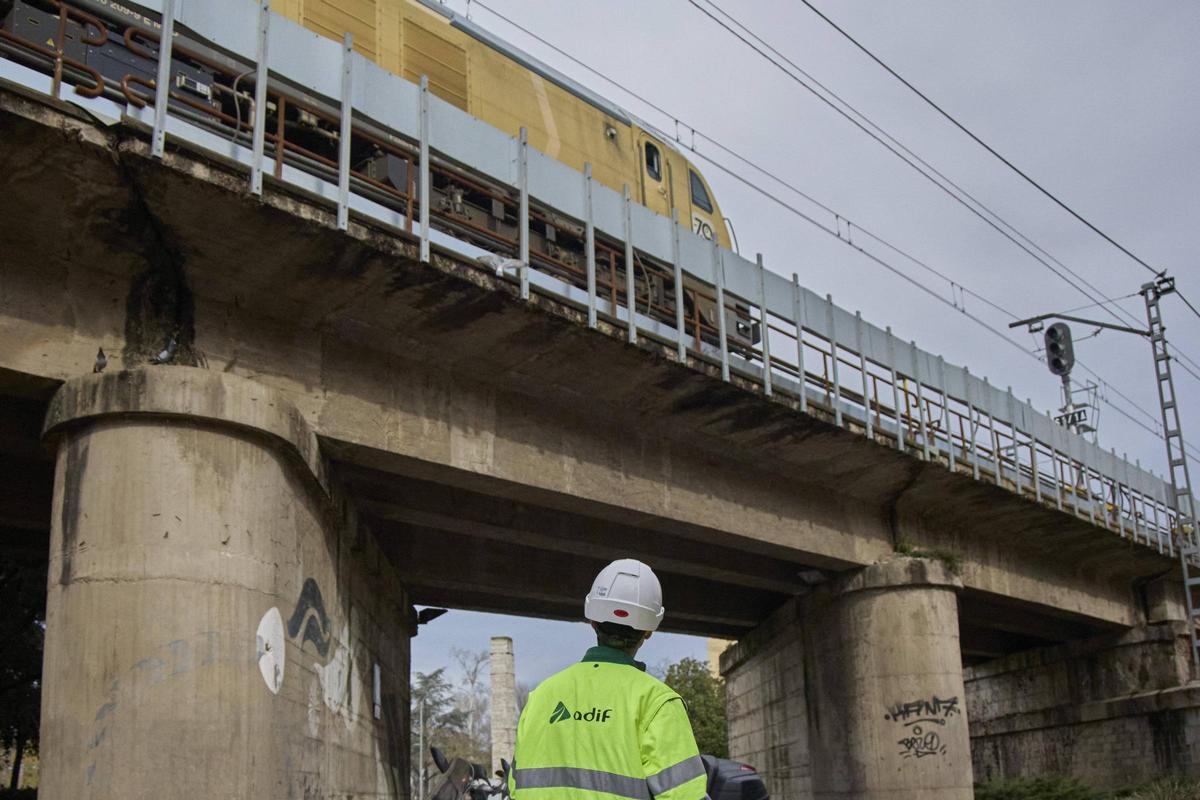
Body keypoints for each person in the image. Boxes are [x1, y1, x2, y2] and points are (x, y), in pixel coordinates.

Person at [510, 559, 708, 800]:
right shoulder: (656, 703)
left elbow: (515, 787)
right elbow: (687, 795)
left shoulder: (540, 697)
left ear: (592, 621)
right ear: (648, 631)